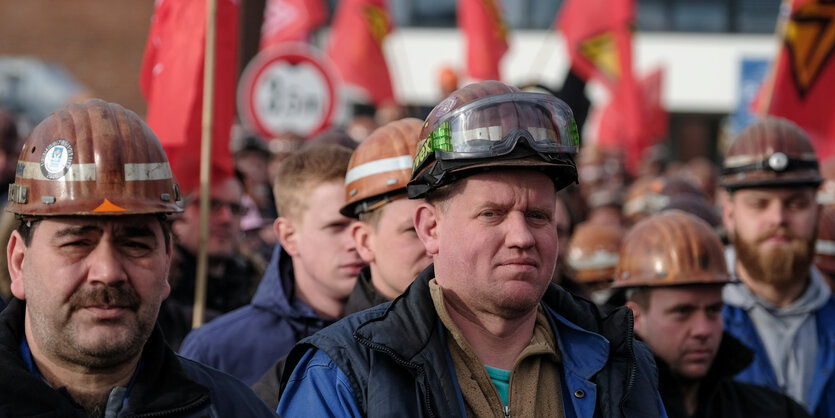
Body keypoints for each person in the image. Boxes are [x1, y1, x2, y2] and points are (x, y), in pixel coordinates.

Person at [277, 81, 666, 417]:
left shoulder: (620, 361)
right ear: (430, 229)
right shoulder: (342, 373)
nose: (521, 237)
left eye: (538, 216)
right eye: (491, 214)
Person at [0, 99, 275, 417]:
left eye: (134, 245)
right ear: (19, 262)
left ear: (168, 260)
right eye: (77, 243)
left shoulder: (235, 410)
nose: (107, 272)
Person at [251, 118, 433, 408]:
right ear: (365, 240)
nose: (434, 245)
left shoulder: (500, 331)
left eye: (444, 226)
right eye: (413, 230)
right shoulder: (321, 367)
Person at [179, 144, 364, 385]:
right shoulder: (216, 350)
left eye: (363, 224)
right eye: (336, 227)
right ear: (288, 236)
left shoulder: (403, 332)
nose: (356, 241)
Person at [615, 211, 810, 418]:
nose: (703, 330)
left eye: (714, 310)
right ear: (635, 318)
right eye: (682, 312)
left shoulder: (773, 411)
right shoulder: (605, 407)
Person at [719, 117, 835, 417]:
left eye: (795, 204)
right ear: (729, 216)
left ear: (818, 212)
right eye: (760, 204)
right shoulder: (699, 321)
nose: (778, 219)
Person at [158, 173, 265, 351]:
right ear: (178, 210)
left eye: (235, 208)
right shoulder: (157, 296)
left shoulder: (260, 290)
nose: (226, 218)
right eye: (211, 204)